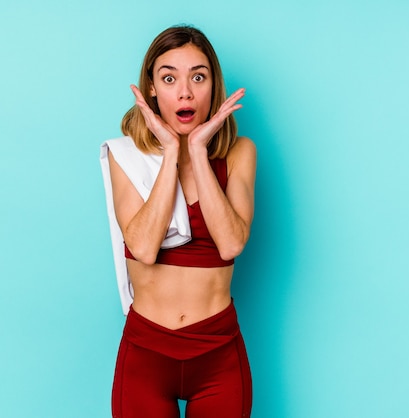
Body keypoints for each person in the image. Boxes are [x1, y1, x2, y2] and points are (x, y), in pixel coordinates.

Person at [101, 24, 256, 418]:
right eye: (169, 78)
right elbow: (144, 247)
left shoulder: (239, 152)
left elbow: (231, 243)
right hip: (146, 353)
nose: (185, 92)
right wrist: (171, 151)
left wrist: (198, 152)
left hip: (218, 353)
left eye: (198, 77)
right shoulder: (126, 156)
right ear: (151, 87)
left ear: (212, 86)